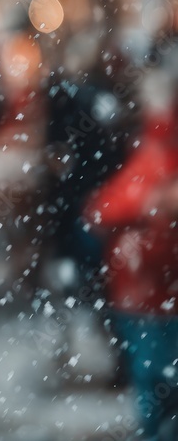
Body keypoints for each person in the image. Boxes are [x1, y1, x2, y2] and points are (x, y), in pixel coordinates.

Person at [84, 96, 178, 440]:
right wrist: (153, 204)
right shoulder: (155, 154)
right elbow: (102, 208)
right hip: (146, 300)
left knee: (157, 388)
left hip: (150, 299)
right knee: (154, 387)